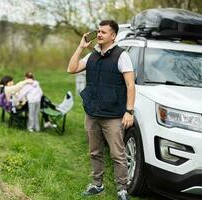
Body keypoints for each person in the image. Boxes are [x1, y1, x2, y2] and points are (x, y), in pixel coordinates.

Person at [67, 20, 135, 200]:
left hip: (113, 115)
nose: (99, 34)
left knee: (118, 154)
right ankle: (97, 185)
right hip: (92, 113)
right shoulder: (92, 56)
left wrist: (129, 111)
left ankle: (122, 189)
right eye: (98, 31)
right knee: (94, 152)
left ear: (113, 36)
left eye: (103, 32)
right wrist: (81, 47)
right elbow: (71, 68)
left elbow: (130, 84)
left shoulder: (122, 56)